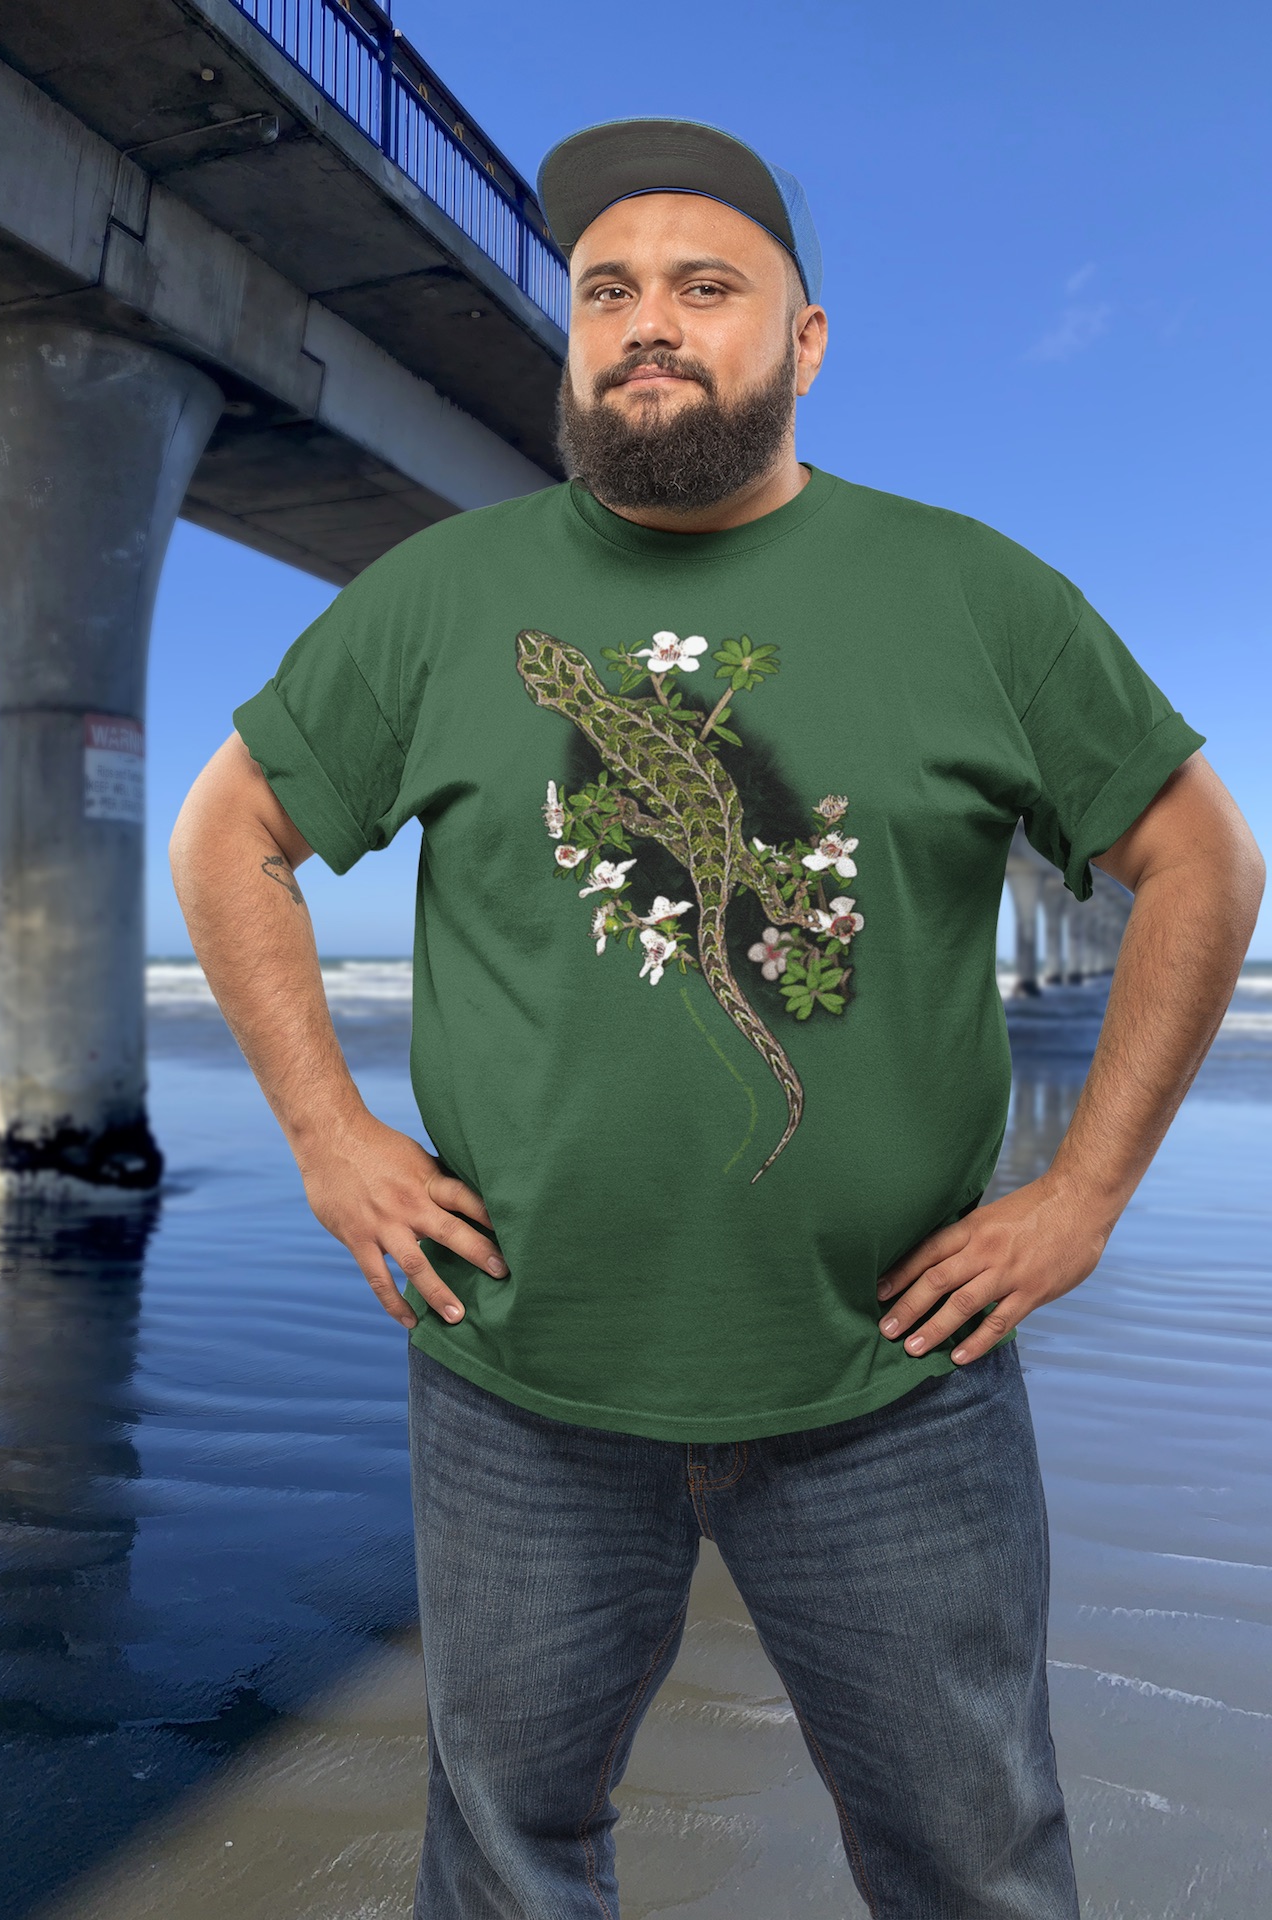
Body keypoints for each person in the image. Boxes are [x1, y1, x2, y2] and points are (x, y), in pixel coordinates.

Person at [170, 116, 1264, 1919]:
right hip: (519, 1379)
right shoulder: (447, 598)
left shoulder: (970, 591)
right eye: (608, 291)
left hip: (893, 1386)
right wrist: (326, 1136)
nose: (648, 322)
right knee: (512, 1857)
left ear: (805, 342)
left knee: (978, 1866)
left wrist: (1082, 1202)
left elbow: (1202, 865)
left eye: (704, 286)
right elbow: (230, 835)